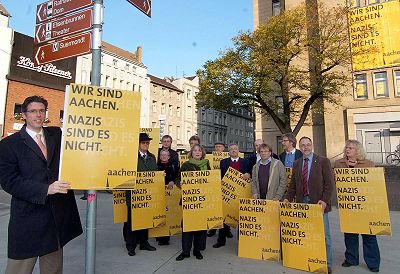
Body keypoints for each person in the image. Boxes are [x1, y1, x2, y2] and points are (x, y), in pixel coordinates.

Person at [0, 96, 82, 274]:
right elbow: (9, 181)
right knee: (18, 269)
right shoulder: (8, 145)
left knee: (53, 270)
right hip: (28, 219)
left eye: (41, 111)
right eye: (33, 111)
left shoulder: (58, 135)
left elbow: (82, 143)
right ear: (24, 115)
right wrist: (45, 189)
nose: (38, 115)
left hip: (56, 219)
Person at [283, 136, 334, 274]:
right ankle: (309, 258)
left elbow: (329, 184)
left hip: (318, 203)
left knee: (324, 235)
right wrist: (287, 198)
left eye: (308, 144)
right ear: (299, 147)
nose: (306, 147)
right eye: (303, 145)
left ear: (312, 145)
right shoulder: (297, 163)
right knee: (306, 233)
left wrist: (324, 200)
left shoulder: (323, 161)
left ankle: (327, 263)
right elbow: (293, 185)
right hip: (302, 202)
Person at [334, 140, 380, 273]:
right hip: (348, 204)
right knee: (350, 233)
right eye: (347, 148)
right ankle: (351, 259)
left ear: (358, 151)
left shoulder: (369, 164)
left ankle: (373, 262)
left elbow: (374, 183)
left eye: (351, 148)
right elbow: (335, 180)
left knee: (369, 235)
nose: (348, 150)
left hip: (365, 205)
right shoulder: (339, 163)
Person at [123, 132, 157, 256]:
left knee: (145, 219)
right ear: (138, 144)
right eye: (143, 142)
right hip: (134, 194)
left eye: (147, 142)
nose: (146, 144)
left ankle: (144, 243)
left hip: (148, 195)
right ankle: (131, 245)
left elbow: (154, 172)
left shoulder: (152, 157)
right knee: (132, 221)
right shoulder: (131, 157)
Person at [176, 144, 210, 261]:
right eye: (195, 150)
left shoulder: (206, 164)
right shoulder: (186, 165)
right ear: (191, 152)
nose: (197, 152)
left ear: (202, 153)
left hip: (203, 200)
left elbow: (210, 180)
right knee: (187, 226)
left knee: (200, 226)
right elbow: (177, 179)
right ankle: (185, 252)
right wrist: (179, 183)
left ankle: (197, 250)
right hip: (189, 200)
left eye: (199, 150)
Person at [213, 143, 251, 248]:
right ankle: (221, 241)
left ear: (238, 150)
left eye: (235, 149)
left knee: (241, 217)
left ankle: (242, 243)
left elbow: (250, 174)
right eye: (231, 149)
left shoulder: (246, 162)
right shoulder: (223, 162)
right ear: (228, 151)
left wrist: (248, 174)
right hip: (228, 194)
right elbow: (220, 177)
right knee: (224, 217)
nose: (233, 151)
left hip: (241, 195)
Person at [156, 149, 179, 246]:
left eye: (166, 155)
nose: (164, 156)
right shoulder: (156, 166)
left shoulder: (174, 165)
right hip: (158, 193)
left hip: (171, 193)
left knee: (168, 214)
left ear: (169, 156)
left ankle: (165, 238)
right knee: (159, 214)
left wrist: (172, 181)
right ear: (160, 156)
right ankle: (158, 235)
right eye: (162, 155)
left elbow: (178, 176)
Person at [207, 141, 226, 237]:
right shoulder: (210, 158)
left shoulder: (227, 158)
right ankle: (213, 229)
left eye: (220, 146)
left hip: (225, 186)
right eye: (216, 147)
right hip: (213, 186)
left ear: (223, 148)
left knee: (226, 209)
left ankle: (227, 230)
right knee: (214, 209)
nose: (218, 148)